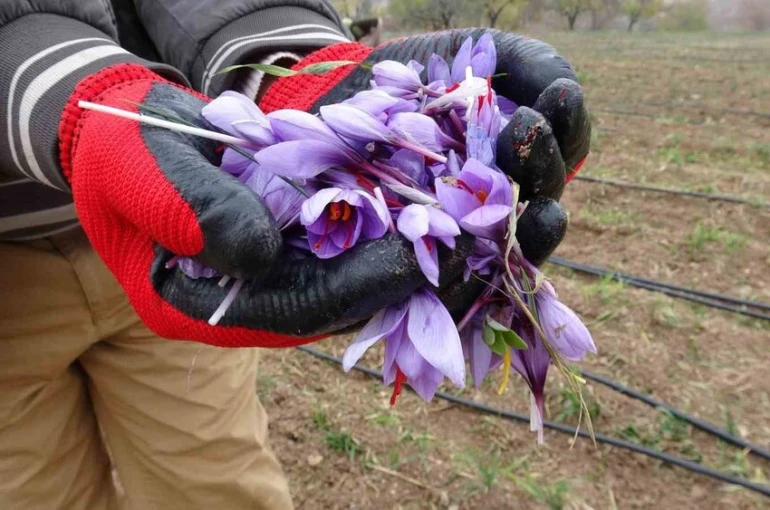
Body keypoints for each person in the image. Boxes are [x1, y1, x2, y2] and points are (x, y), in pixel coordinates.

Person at [0, 1, 591, 508]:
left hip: (192, 230)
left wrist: (287, 60)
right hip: (14, 298)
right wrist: (58, 87)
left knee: (217, 479)